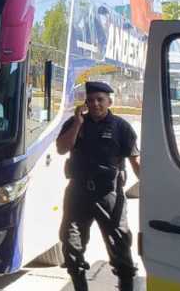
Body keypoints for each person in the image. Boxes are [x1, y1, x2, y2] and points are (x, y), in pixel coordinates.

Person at [56, 81, 141, 291]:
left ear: (109, 101)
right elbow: (61, 149)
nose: (95, 104)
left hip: (109, 194)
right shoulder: (76, 123)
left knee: (120, 245)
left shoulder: (121, 127)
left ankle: (126, 286)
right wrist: (77, 123)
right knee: (71, 243)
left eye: (100, 99)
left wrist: (152, 185)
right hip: (78, 193)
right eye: (91, 100)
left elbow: (136, 161)